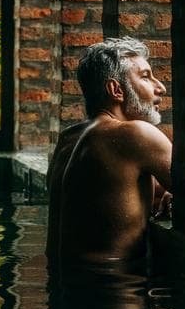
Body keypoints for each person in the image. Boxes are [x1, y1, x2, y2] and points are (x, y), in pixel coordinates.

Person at [46, 37, 174, 263]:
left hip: (63, 284)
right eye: (145, 76)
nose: (160, 87)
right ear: (116, 90)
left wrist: (166, 194)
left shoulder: (68, 139)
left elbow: (112, 198)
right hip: (115, 290)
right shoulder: (136, 134)